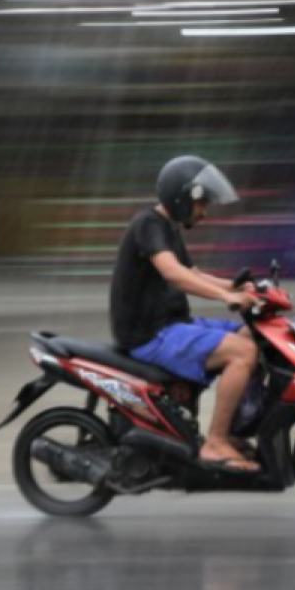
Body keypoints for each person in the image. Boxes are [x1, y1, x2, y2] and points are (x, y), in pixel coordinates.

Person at [110, 156, 261, 472]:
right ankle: (215, 443)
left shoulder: (169, 229)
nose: (204, 212)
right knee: (243, 353)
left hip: (174, 325)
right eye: (201, 204)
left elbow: (192, 272)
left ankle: (232, 433)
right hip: (151, 335)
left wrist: (238, 288)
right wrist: (225, 297)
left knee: (254, 336)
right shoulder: (148, 224)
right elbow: (173, 274)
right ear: (181, 198)